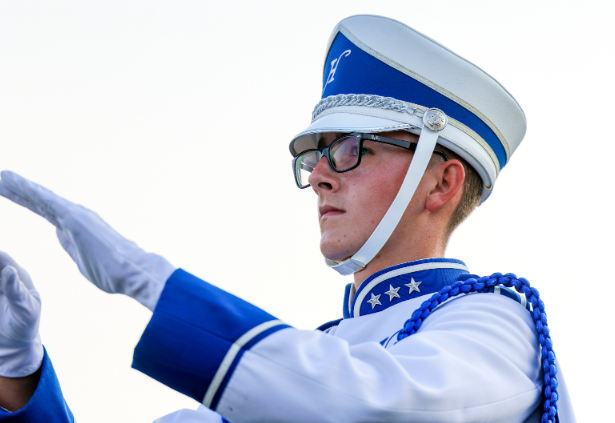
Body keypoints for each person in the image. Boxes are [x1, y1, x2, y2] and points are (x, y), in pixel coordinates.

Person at [0, 15, 575, 423]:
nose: (322, 175)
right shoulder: (295, 362)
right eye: (315, 155)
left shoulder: (496, 325)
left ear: (441, 182)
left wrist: (153, 282)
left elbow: (371, 404)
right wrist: (17, 372)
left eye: (353, 148)